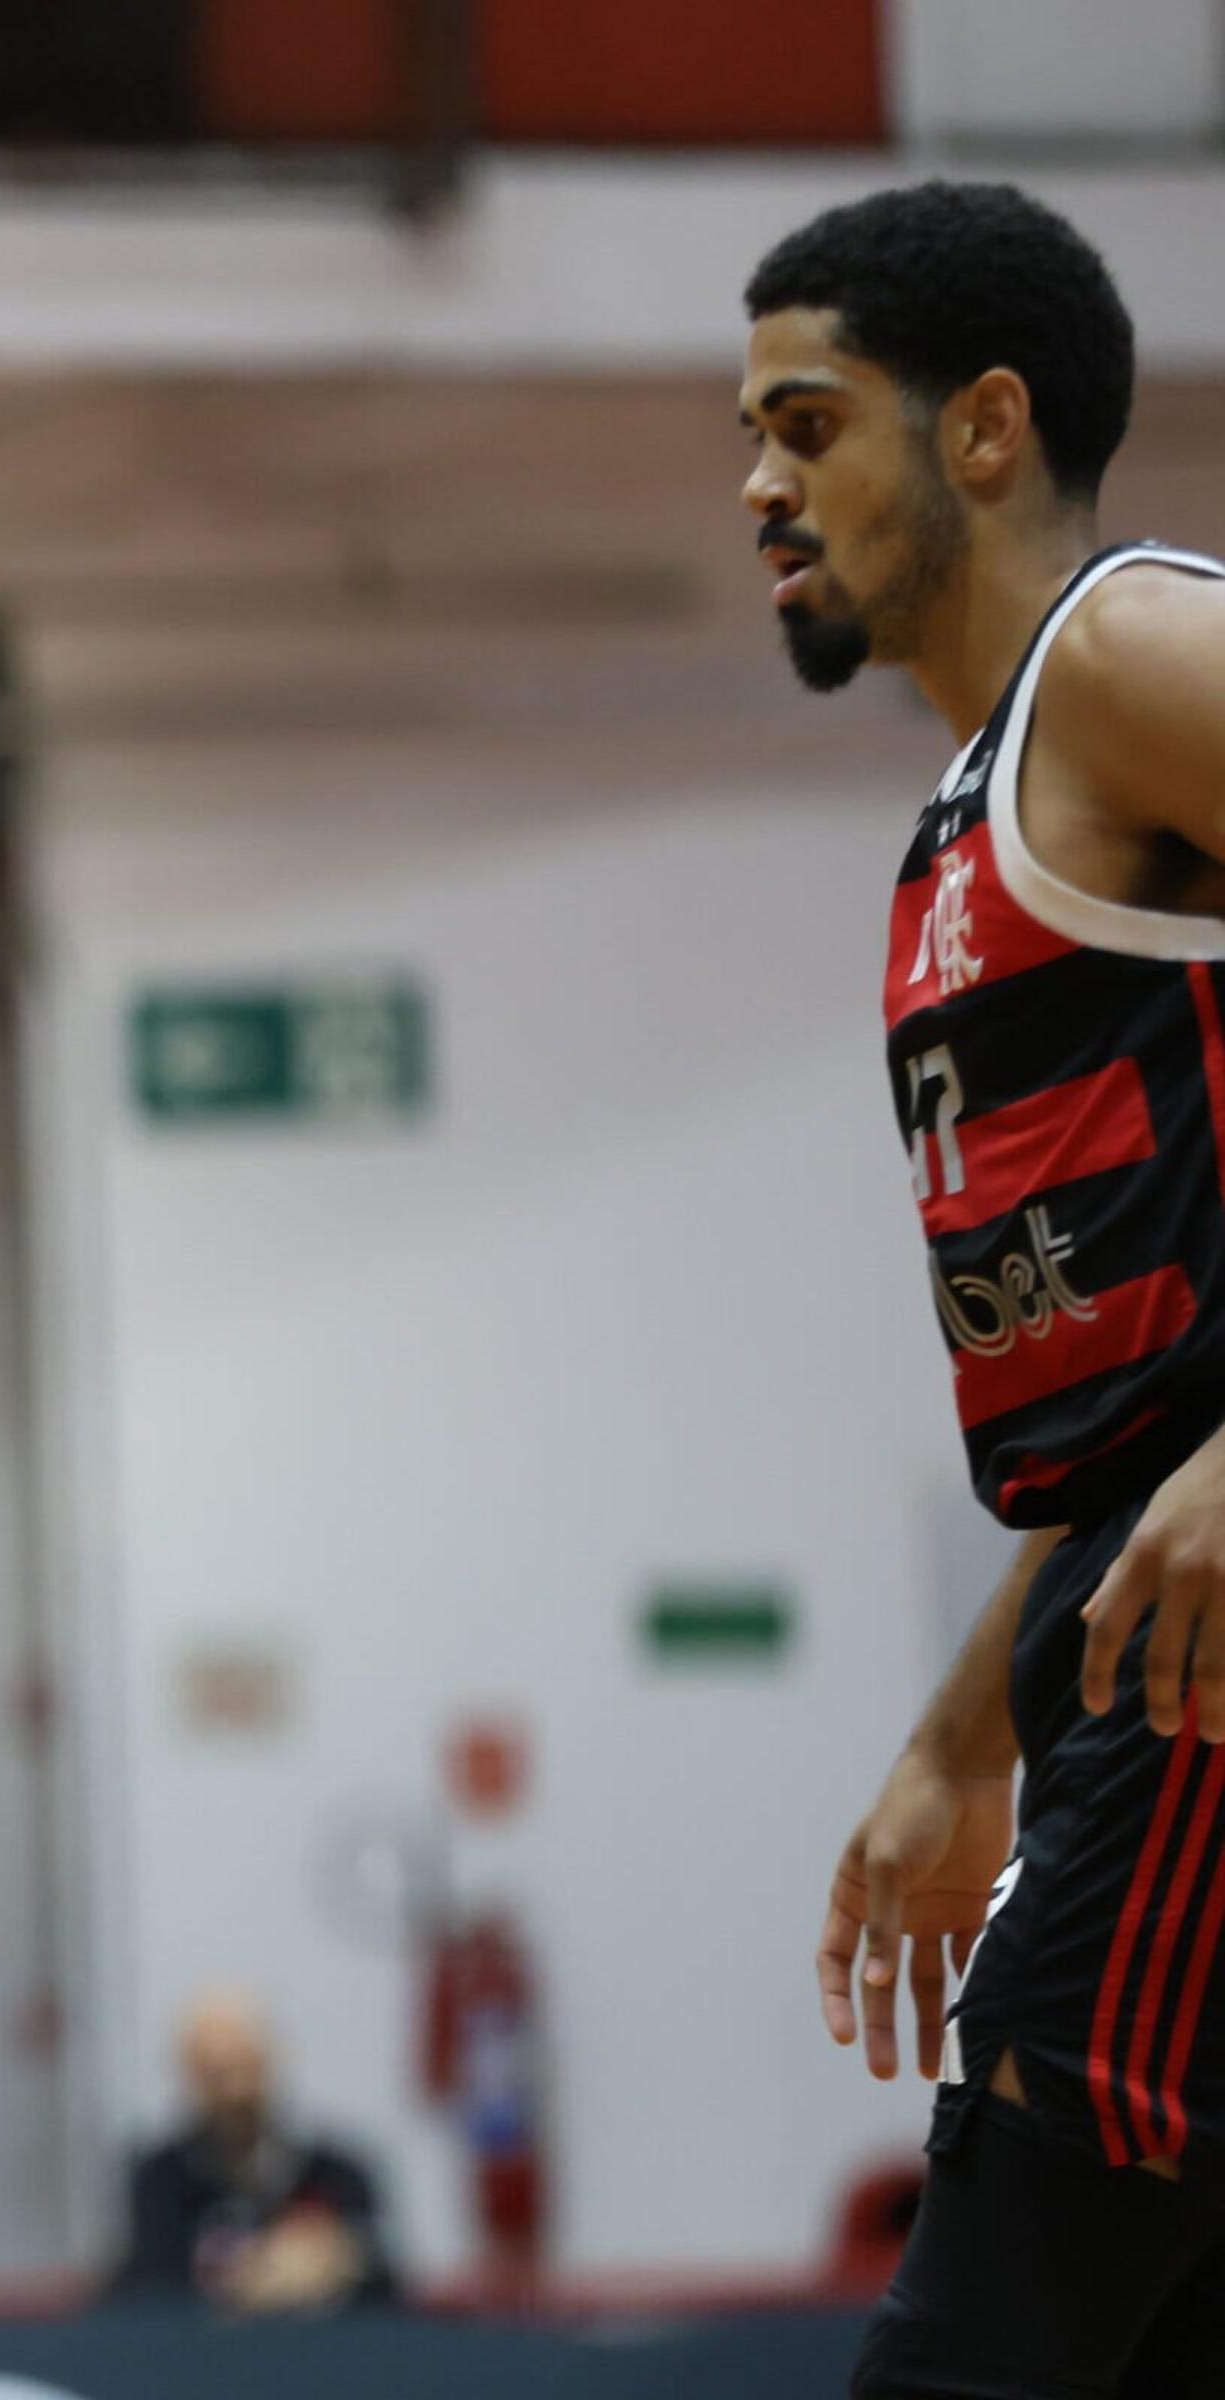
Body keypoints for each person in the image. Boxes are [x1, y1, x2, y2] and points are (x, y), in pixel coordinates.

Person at [770, 182, 1225, 2395]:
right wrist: (965, 1730)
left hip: (1207, 1687)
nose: (762, 479)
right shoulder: (965, 823)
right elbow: (1127, 1397)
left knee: (989, 2340)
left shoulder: (1133, 659)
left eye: (808, 417)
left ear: (983, 431)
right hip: (1116, 1642)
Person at [103, 1986, 394, 2316]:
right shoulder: (159, 2180)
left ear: (274, 2063)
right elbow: (149, 2294)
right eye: (217, 2074)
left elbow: (388, 2291)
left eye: (248, 2067)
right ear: (187, 2078)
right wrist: (252, 2284)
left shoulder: (339, 2174)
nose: (236, 2092)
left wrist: (342, 2261)